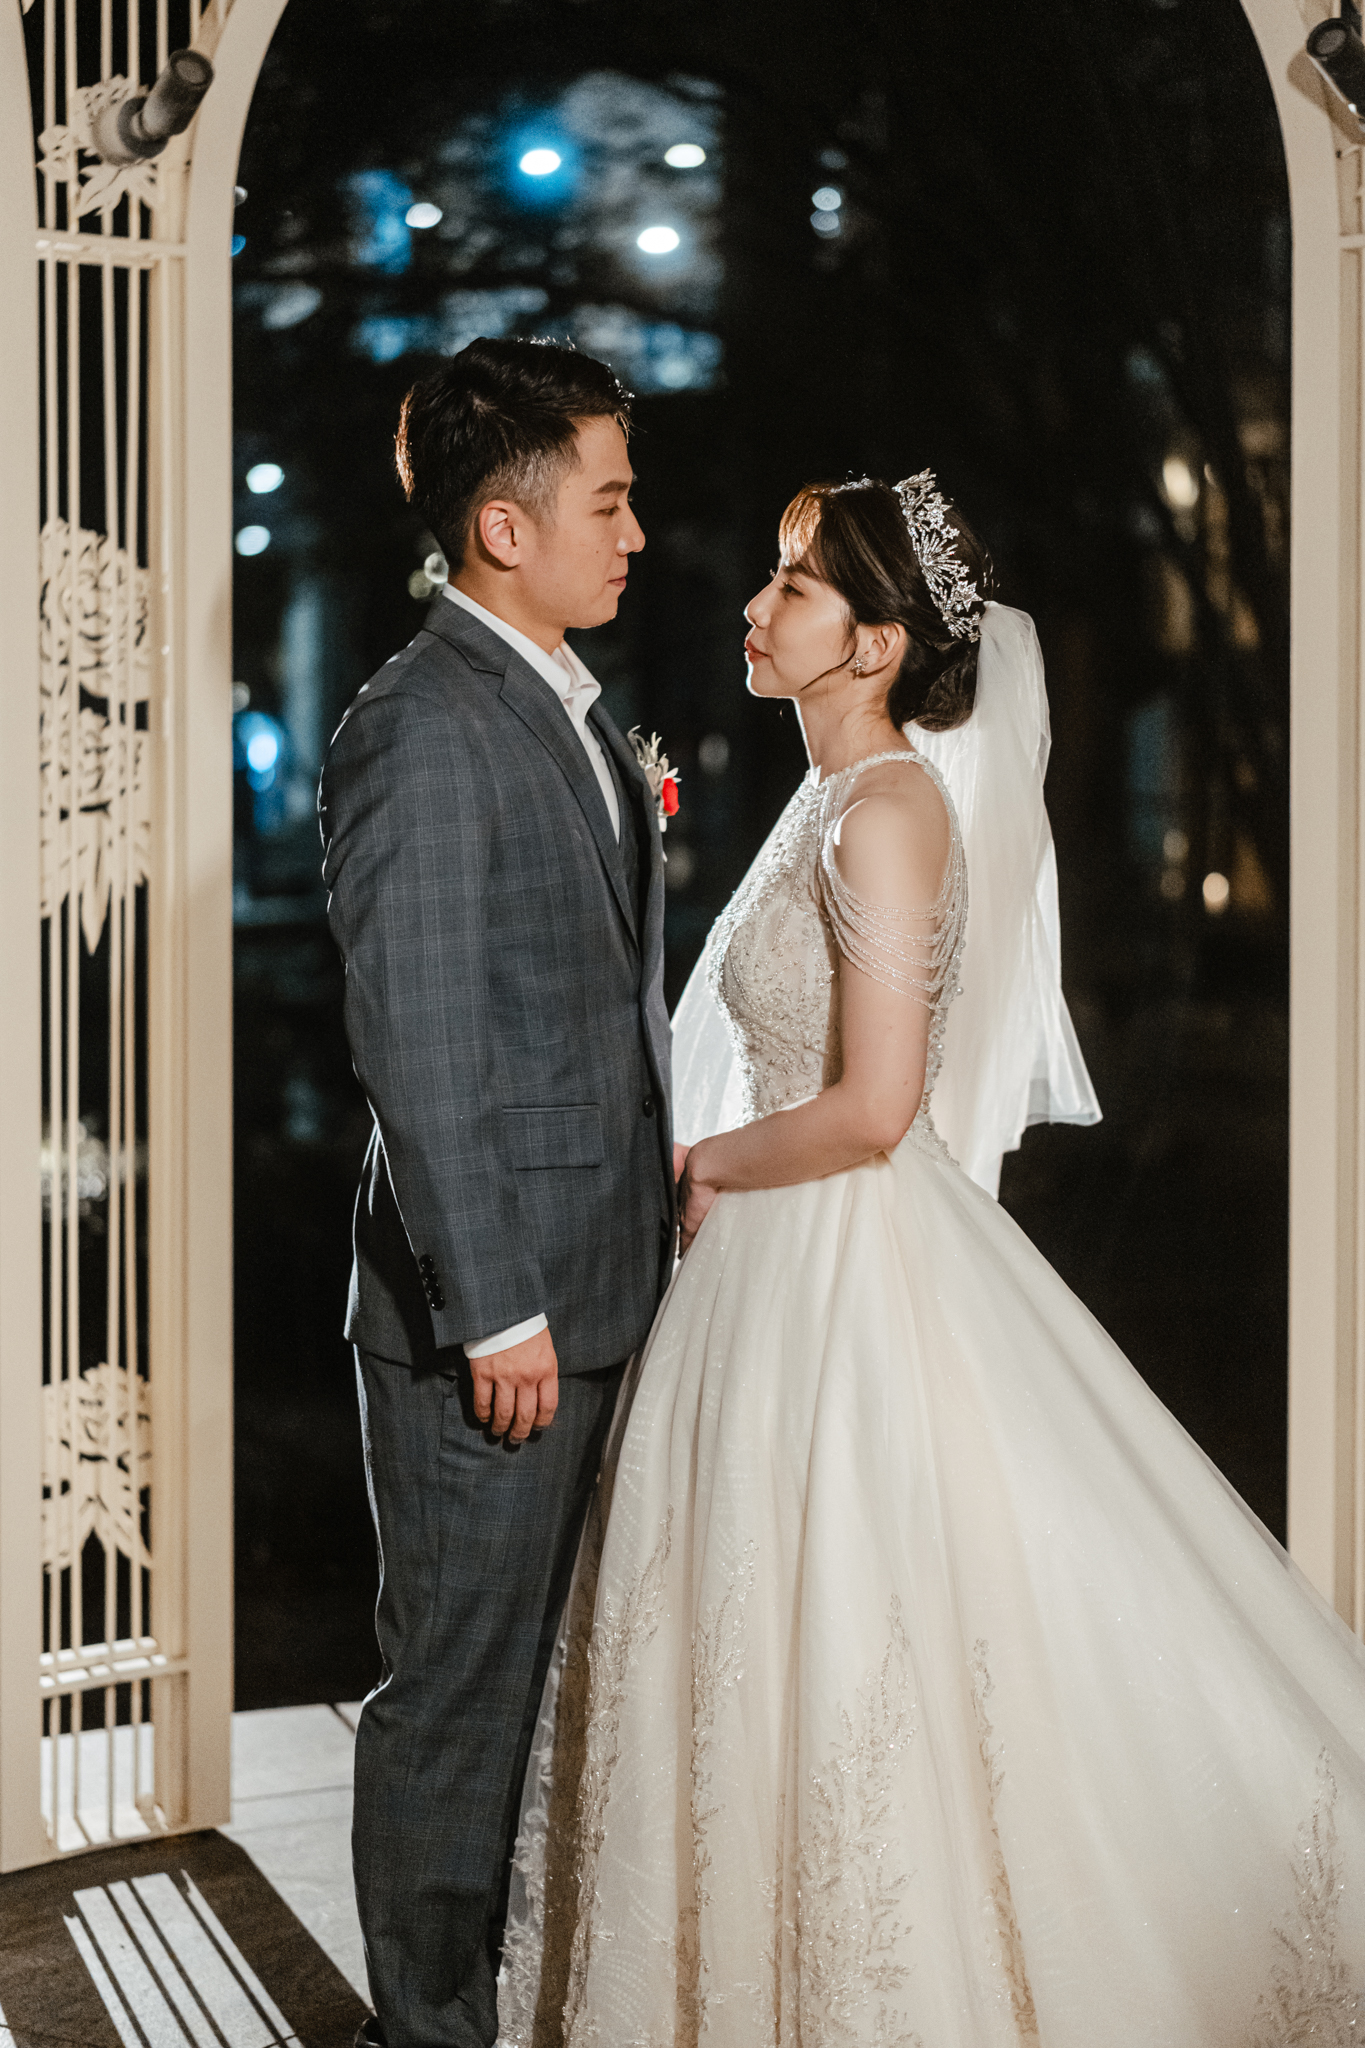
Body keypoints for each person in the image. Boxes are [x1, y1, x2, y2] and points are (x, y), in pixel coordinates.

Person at [499, 474, 1365, 2047]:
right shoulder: (827, 801)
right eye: (770, 579)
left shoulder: (888, 811)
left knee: (865, 1617)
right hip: (770, 1268)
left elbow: (874, 1108)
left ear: (875, 643)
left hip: (833, 1258)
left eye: (792, 587)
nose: (753, 608)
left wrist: (703, 1164)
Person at [317, 336, 677, 2048]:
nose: (635, 533)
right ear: (502, 526)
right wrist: (498, 1307)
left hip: (606, 1285)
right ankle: (426, 2030)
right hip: (501, 1319)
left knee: (547, 1688)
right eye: (608, 502)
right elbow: (422, 1038)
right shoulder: (418, 724)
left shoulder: (562, 701)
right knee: (459, 1697)